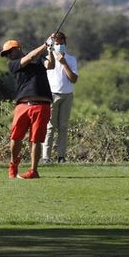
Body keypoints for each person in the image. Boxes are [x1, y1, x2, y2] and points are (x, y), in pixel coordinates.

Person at [1, 38, 55, 179]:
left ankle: (33, 171)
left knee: (36, 139)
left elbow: (50, 65)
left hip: (42, 105)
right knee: (16, 137)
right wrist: (45, 45)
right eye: (6, 54)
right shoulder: (13, 64)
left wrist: (50, 50)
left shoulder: (39, 59)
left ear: (18, 48)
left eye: (10, 52)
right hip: (23, 105)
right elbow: (30, 57)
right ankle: (13, 164)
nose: (8, 55)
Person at [42, 30, 79, 164]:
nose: (59, 46)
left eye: (61, 43)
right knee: (50, 127)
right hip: (52, 95)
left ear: (65, 43)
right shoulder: (48, 58)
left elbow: (73, 79)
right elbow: (48, 66)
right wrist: (49, 46)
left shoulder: (71, 59)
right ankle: (46, 156)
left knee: (63, 126)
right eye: (56, 44)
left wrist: (64, 63)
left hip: (67, 95)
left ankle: (61, 156)